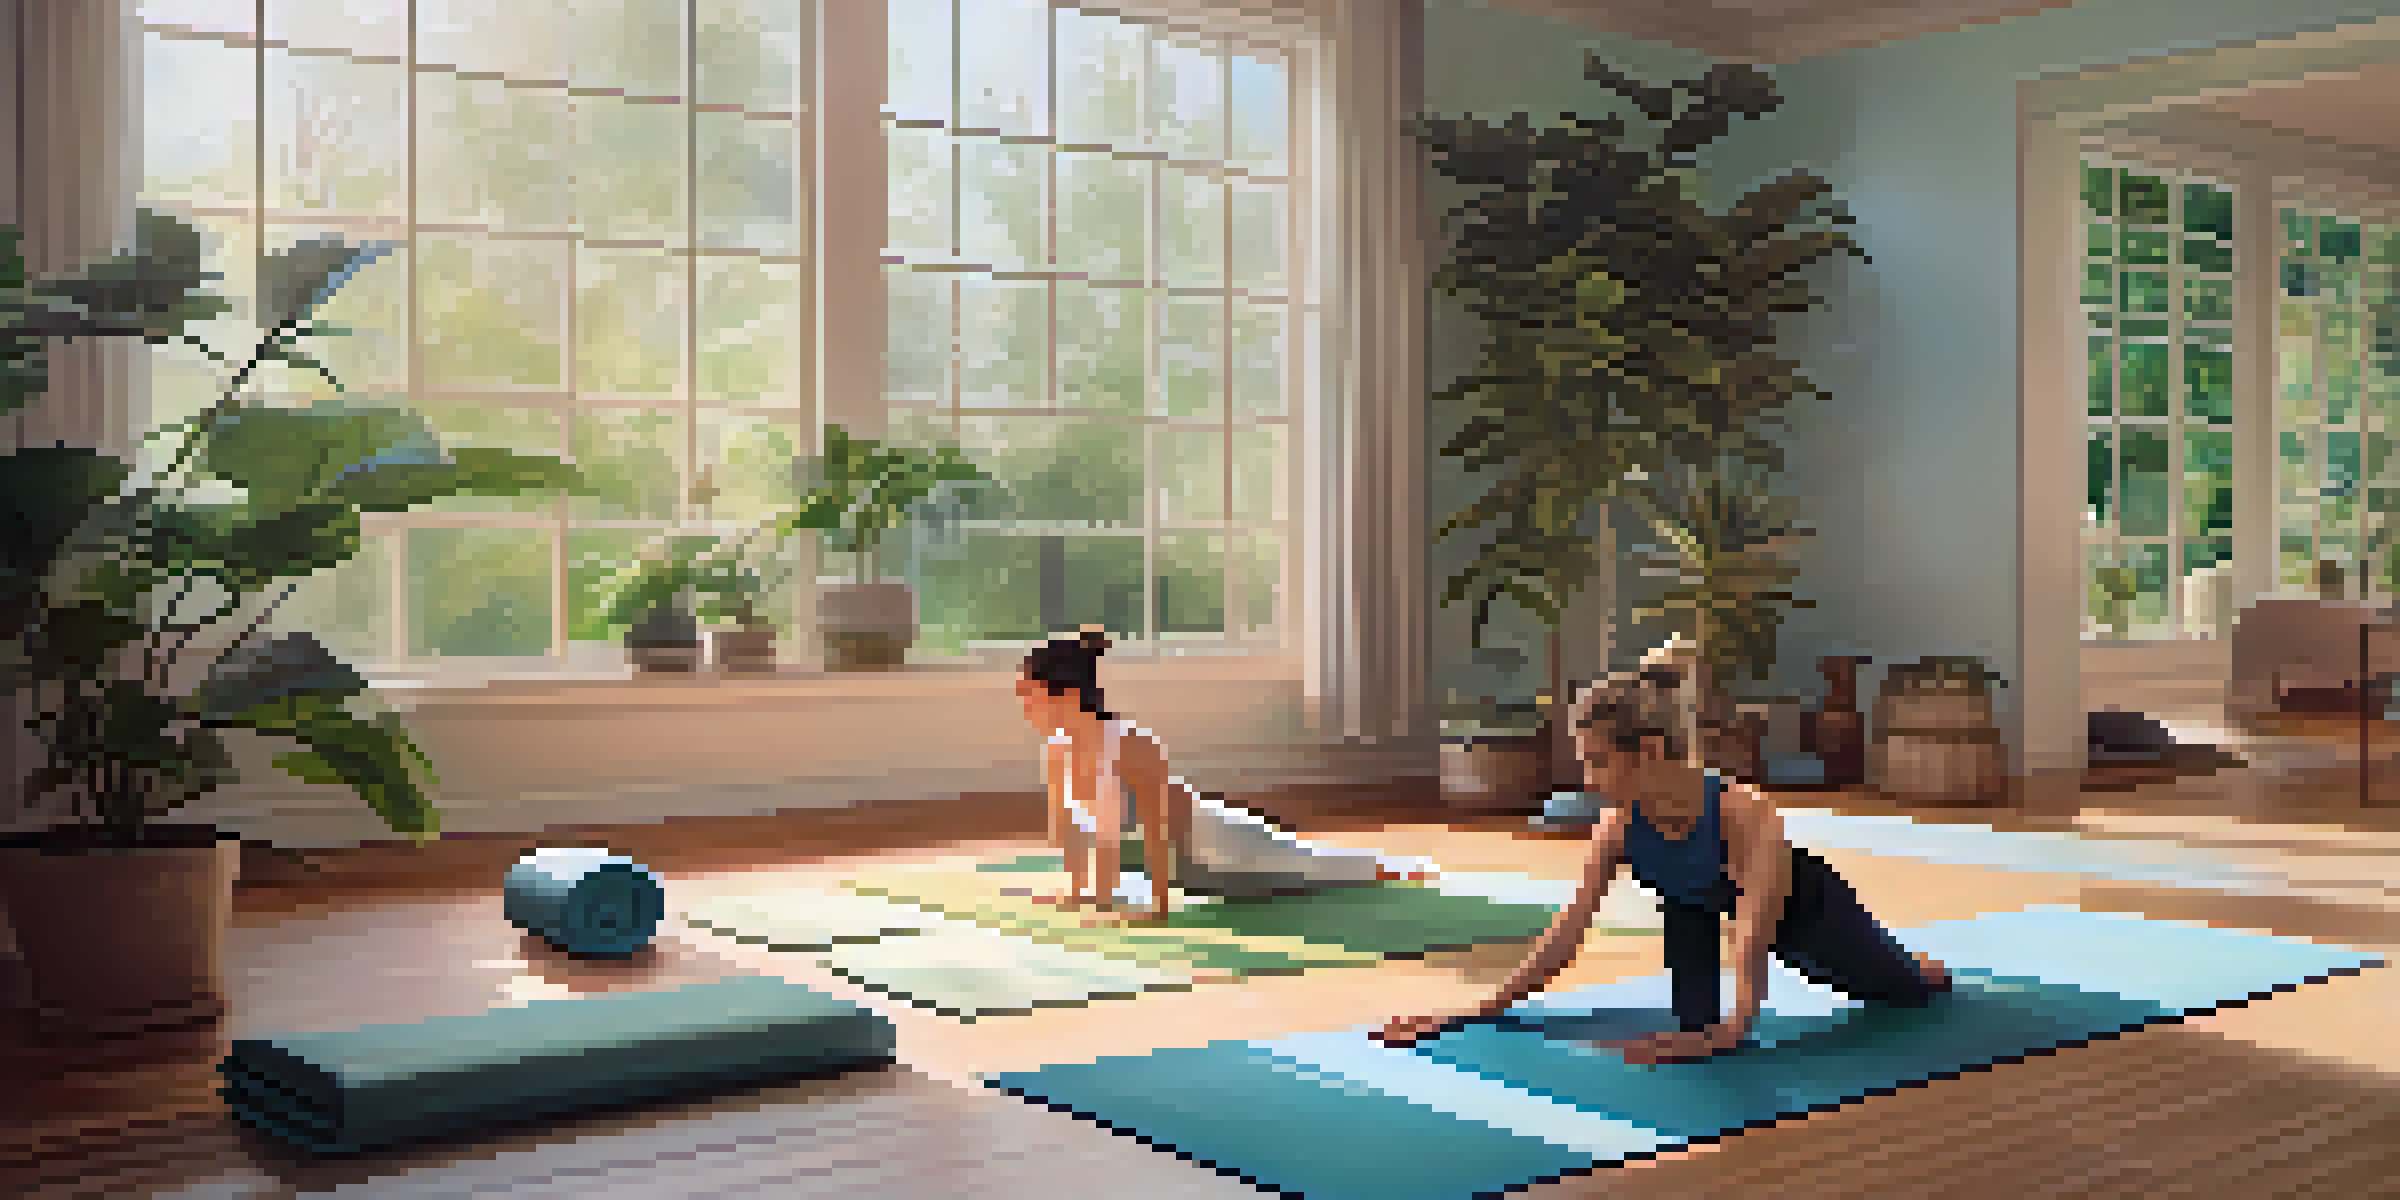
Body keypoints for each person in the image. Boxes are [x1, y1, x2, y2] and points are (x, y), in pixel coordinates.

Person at [1375, 671, 1952, 1064]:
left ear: (1648, 750)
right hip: (1694, 916)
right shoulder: (1618, 825)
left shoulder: (1743, 812)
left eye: (1598, 762)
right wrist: (1477, 1010)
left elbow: (1753, 933)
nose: (1588, 780)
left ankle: (1919, 964)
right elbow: (1567, 931)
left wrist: (1737, 1028)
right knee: (1688, 1023)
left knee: (1898, 990)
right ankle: (1707, 1020)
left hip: (1807, 912)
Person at [1015, 627, 1433, 925]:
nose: (1025, 709)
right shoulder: (1056, 750)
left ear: (1067, 694)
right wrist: (1080, 892)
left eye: (1030, 697)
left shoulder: (1129, 743)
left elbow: (1157, 829)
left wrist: (1156, 908)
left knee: (1315, 868)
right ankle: (1384, 866)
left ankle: (1399, 868)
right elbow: (1075, 830)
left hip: (1223, 849)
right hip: (1186, 873)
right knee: (1305, 867)